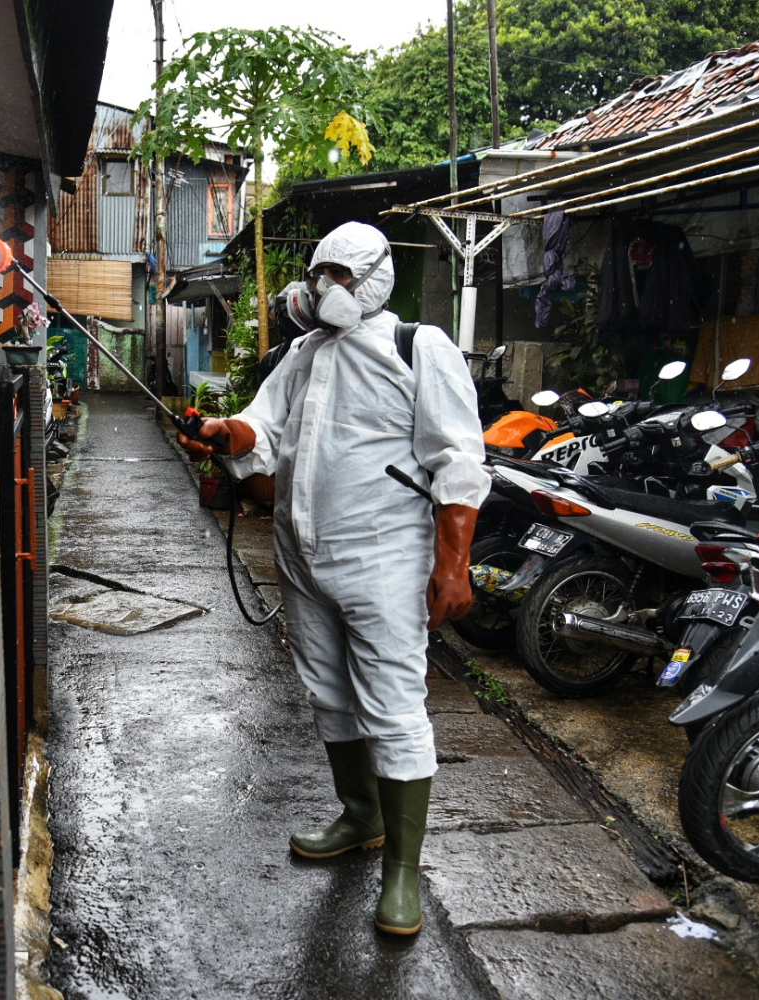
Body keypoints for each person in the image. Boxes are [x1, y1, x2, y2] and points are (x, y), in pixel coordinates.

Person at [179, 221, 487, 935]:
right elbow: (263, 428)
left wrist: (453, 564)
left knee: (394, 707)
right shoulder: (304, 352)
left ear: (377, 277)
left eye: (341, 275)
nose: (325, 287)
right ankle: (360, 816)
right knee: (328, 691)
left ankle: (402, 871)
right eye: (320, 273)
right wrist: (223, 432)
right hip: (302, 558)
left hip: (383, 561)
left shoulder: (419, 346)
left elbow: (458, 461)